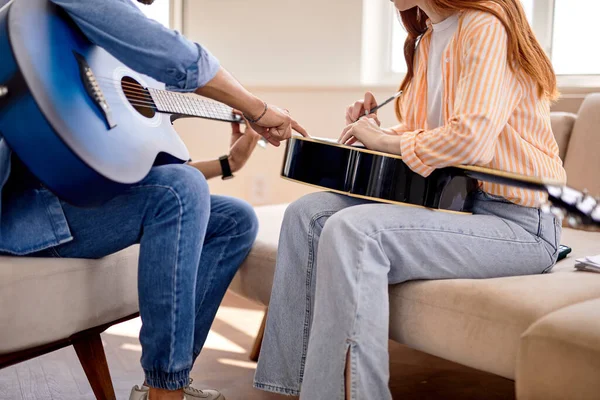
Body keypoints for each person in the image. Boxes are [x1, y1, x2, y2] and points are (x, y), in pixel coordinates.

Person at [254, 0, 566, 399]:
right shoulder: (429, 37)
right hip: (456, 204)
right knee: (306, 214)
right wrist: (374, 129)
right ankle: (292, 389)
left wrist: (386, 140)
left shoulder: (486, 25)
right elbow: (427, 134)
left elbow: (472, 140)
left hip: (521, 223)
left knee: (356, 231)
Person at [0, 0, 306, 399]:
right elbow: (175, 57)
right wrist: (255, 108)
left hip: (67, 196)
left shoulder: (84, 43)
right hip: (26, 215)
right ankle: (167, 392)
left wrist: (227, 164)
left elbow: (138, 175)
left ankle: (161, 381)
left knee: (235, 220)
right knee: (181, 190)